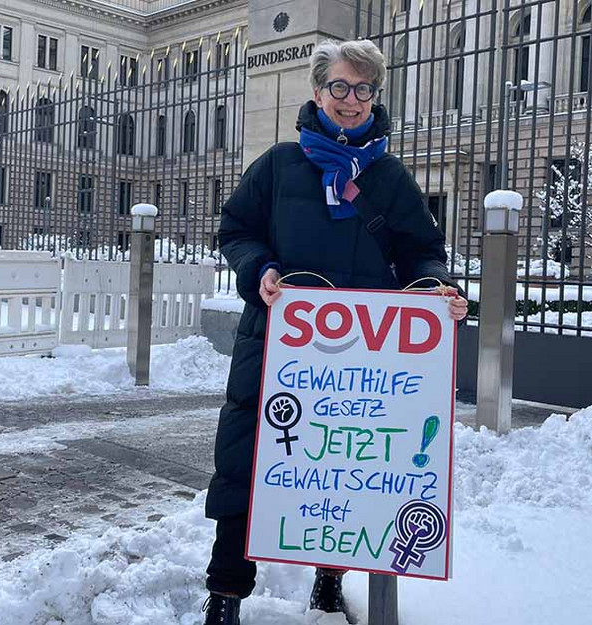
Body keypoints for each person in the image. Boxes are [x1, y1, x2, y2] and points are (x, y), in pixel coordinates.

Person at [201, 38, 468, 625]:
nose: (351, 100)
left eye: (364, 89)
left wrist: (434, 288)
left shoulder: (391, 177)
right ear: (317, 91)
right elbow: (237, 230)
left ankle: (331, 576)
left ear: (375, 96)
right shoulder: (278, 165)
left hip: (360, 362)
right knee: (250, 467)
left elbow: (422, 252)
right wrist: (260, 269)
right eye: (340, 87)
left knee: (346, 471)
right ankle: (224, 595)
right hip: (277, 345)